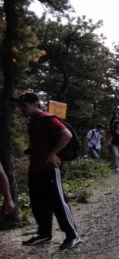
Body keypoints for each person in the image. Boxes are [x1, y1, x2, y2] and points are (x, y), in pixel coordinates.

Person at [15, 91, 80, 250]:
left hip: (50, 168)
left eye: (24, 105)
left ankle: (72, 235)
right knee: (38, 202)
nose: (21, 108)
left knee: (58, 201)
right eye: (20, 106)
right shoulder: (32, 121)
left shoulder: (46, 118)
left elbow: (67, 135)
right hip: (35, 168)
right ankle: (44, 234)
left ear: (35, 104)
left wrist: (52, 154)